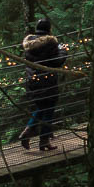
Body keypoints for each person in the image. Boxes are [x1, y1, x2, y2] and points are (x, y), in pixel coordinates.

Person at [19, 18, 68, 150]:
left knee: (41, 107)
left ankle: (28, 130)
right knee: (49, 110)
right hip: (48, 81)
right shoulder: (50, 43)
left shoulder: (29, 44)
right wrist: (63, 50)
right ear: (49, 29)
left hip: (33, 81)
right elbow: (57, 61)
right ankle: (44, 141)